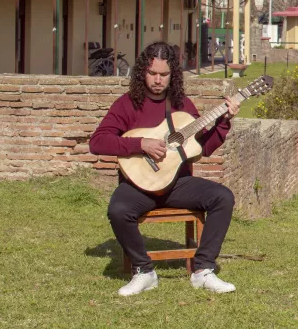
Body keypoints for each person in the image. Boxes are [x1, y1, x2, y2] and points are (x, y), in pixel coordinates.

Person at [90, 41, 239, 296]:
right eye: (152, 73)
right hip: (138, 186)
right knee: (118, 210)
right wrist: (141, 144)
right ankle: (144, 271)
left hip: (178, 184)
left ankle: (203, 270)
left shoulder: (182, 106)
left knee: (223, 197)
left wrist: (223, 124)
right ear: (142, 73)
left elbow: (203, 149)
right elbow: (97, 142)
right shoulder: (127, 104)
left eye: (164, 74)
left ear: (173, 75)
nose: (158, 80)